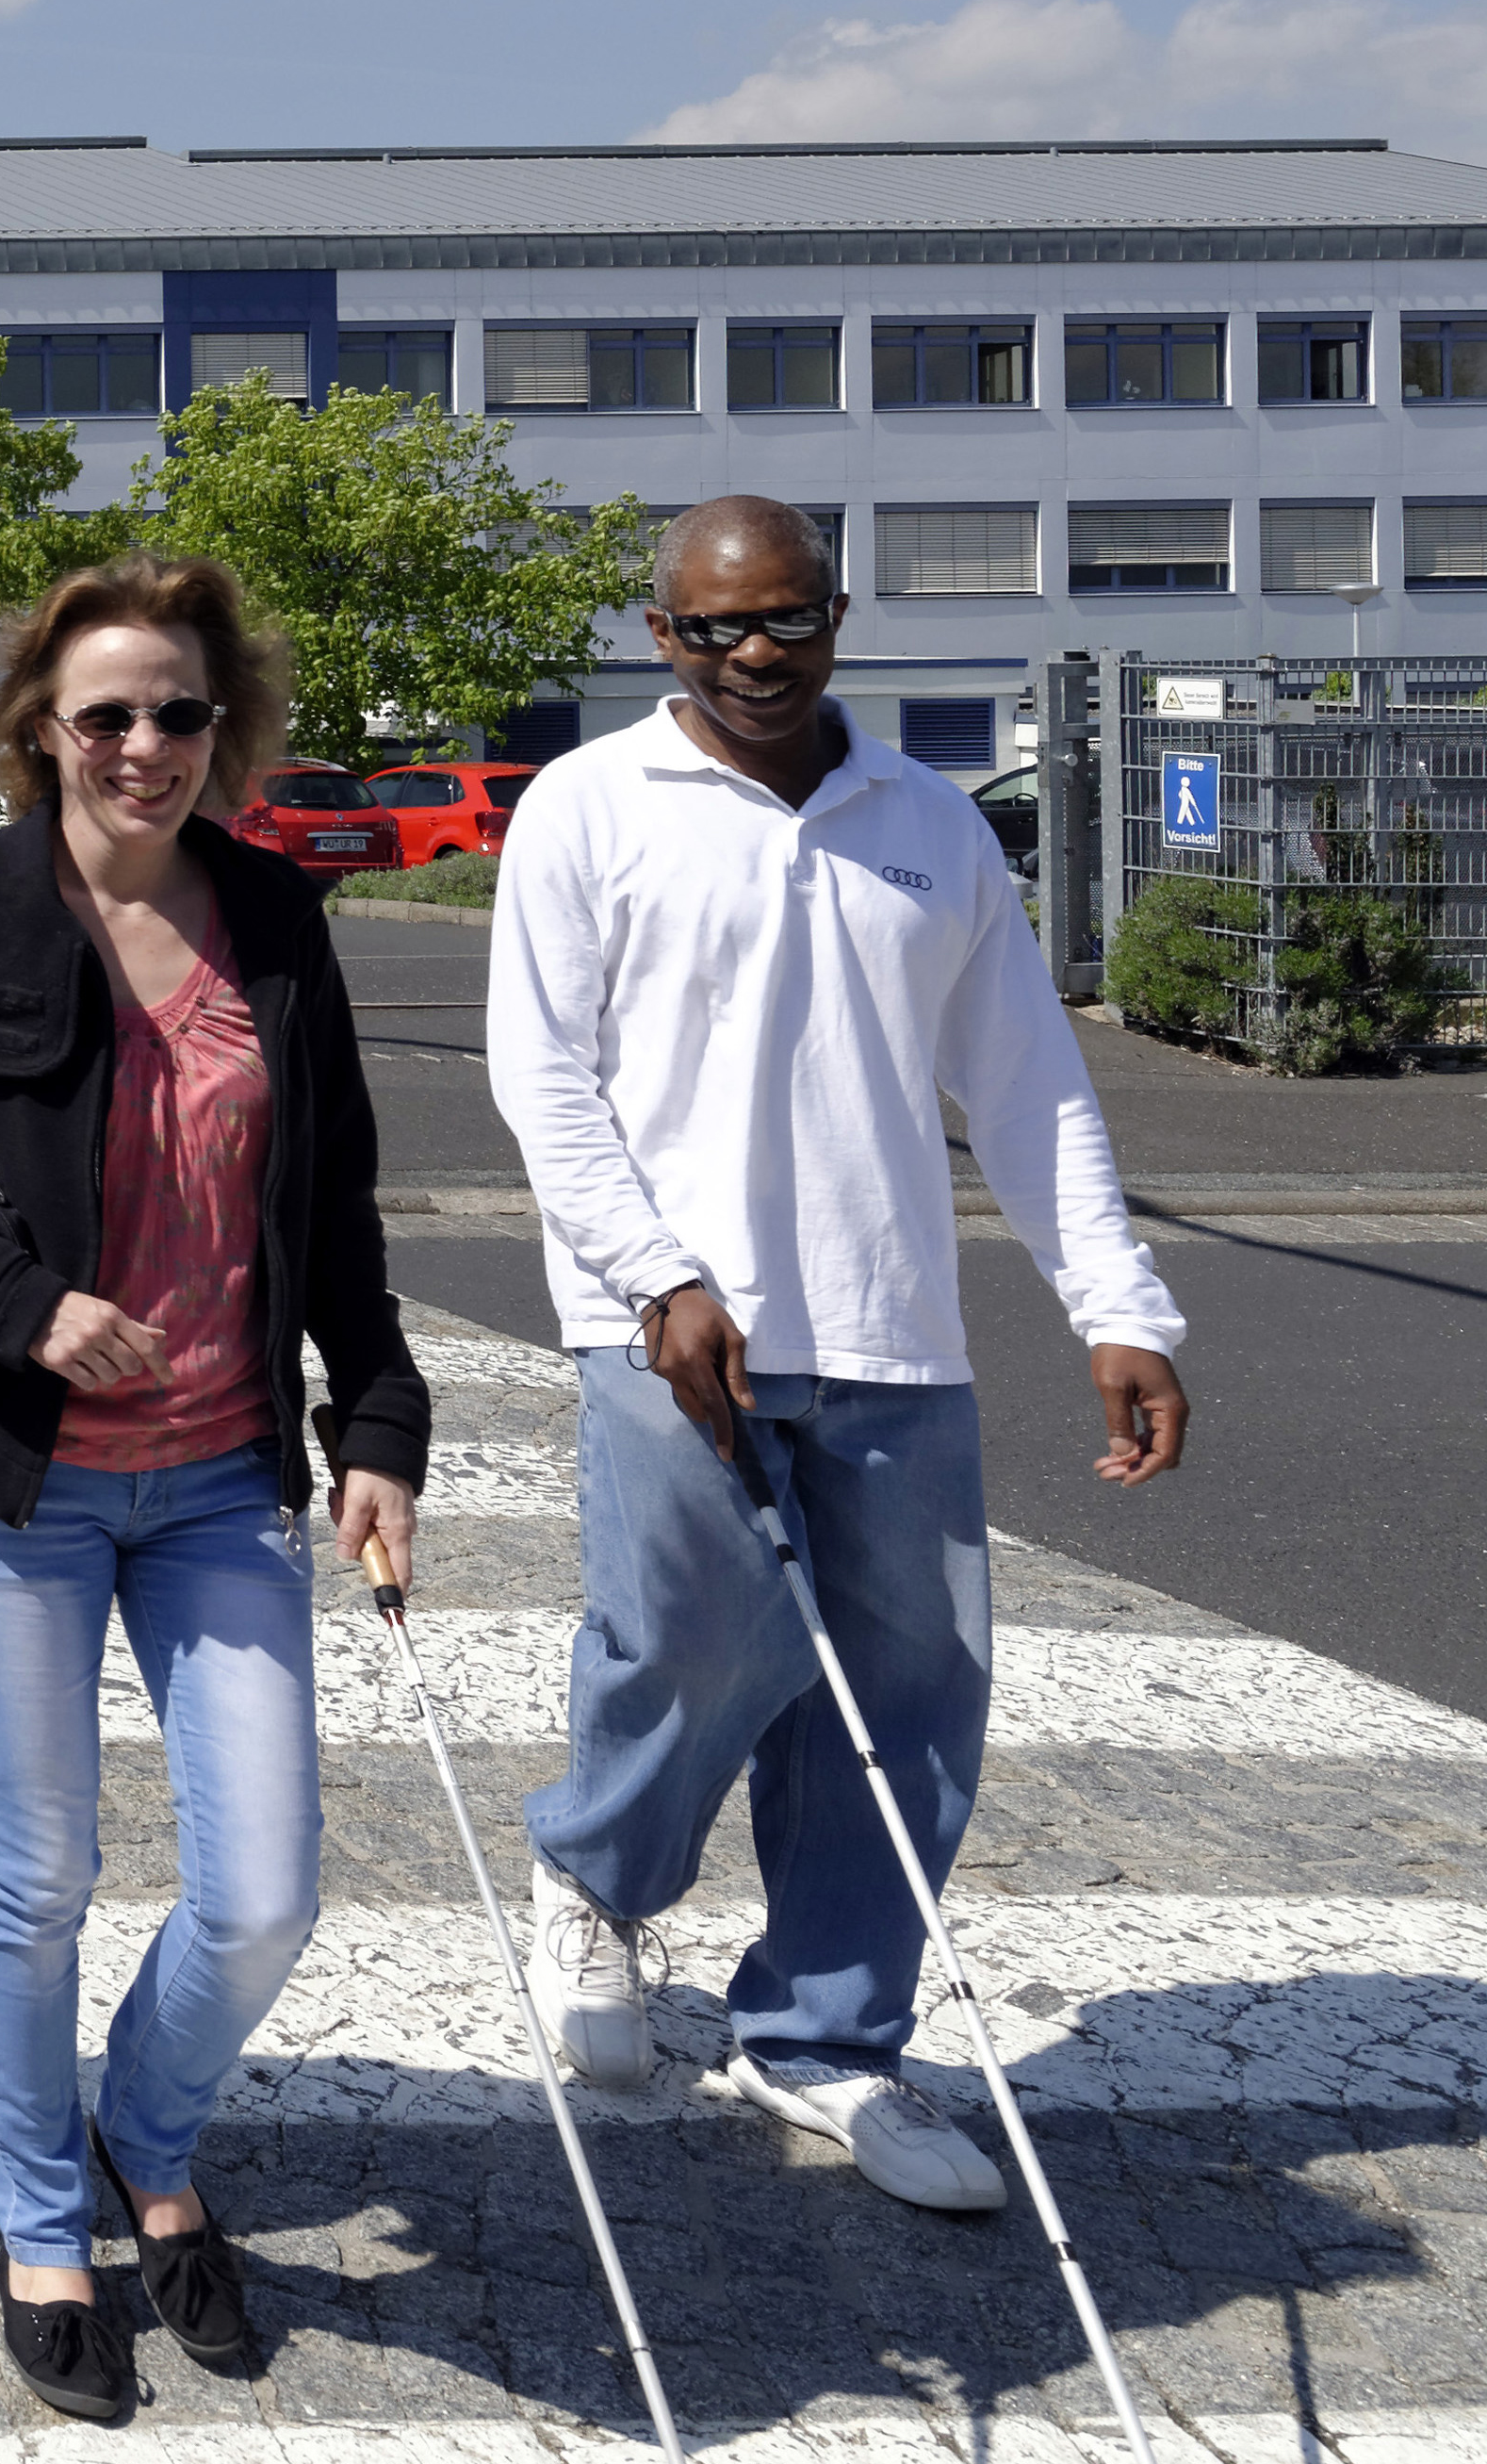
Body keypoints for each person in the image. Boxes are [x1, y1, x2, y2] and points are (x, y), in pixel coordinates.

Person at [0, 552, 429, 2426]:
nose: (144, 743)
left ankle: (149, 2124)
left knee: (263, 1888)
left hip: (225, 1476)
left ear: (228, 729)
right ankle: (45, 2214)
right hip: (15, 1479)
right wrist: (7, 1288)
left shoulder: (279, 923)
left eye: (179, 712)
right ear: (37, 733)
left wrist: (373, 1426)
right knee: (41, 1861)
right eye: (105, 714)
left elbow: (340, 1212)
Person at [488, 493, 1195, 2212]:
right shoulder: (589, 808)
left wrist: (1119, 1305)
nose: (754, 654)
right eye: (715, 627)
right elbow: (543, 1078)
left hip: (890, 1324)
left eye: (786, 620)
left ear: (837, 617)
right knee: (691, 1638)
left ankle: (824, 2038)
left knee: (916, 1691)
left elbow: (1027, 1087)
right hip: (665, 1327)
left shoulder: (934, 826)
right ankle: (597, 1877)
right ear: (662, 636)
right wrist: (656, 1277)